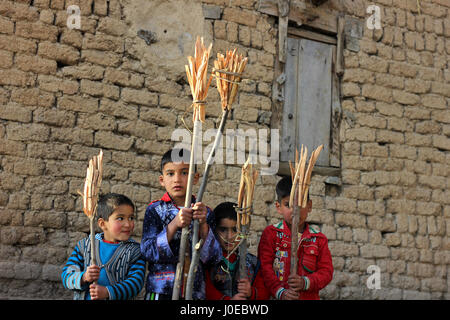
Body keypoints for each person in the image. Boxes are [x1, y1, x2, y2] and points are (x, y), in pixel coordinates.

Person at [140, 148, 221, 300]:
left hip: (194, 292)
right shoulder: (155, 210)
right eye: (170, 173)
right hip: (161, 291)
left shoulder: (205, 212)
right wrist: (174, 224)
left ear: (195, 178)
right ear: (162, 180)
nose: (177, 179)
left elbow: (214, 258)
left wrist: (203, 225)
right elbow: (148, 251)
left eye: (184, 173)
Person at [258, 176, 333, 300]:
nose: (295, 211)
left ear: (309, 206)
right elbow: (265, 269)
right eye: (288, 205)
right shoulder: (271, 234)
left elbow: (326, 272)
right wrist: (280, 292)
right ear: (278, 207)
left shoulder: (318, 239)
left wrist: (305, 282)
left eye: (301, 204)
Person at [61, 193, 146, 300]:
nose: (128, 224)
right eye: (120, 218)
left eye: (131, 218)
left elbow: (135, 284)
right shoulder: (85, 246)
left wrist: (107, 292)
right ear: (102, 224)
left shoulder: (135, 251)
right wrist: (84, 277)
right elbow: (66, 276)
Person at [205, 202, 269, 300]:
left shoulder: (252, 263)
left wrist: (251, 292)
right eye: (223, 230)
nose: (229, 236)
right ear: (214, 230)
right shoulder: (208, 259)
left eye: (235, 230)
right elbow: (206, 289)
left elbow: (264, 293)